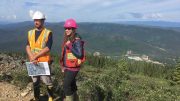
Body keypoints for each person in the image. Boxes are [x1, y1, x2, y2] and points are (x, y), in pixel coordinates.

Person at [26, 11, 53, 101]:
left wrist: (35, 56)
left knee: (47, 82)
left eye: (38, 20)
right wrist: (31, 57)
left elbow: (48, 48)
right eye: (35, 20)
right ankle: (36, 98)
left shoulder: (48, 33)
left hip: (43, 62)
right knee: (35, 82)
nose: (36, 22)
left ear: (43, 21)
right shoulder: (30, 33)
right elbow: (27, 46)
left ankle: (50, 97)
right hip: (33, 62)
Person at [60, 19, 85, 101]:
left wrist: (70, 45)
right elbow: (66, 55)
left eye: (69, 28)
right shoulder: (69, 38)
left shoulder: (76, 40)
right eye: (65, 28)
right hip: (68, 66)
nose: (66, 30)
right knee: (72, 85)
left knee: (66, 86)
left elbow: (80, 55)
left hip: (73, 68)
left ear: (73, 29)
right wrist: (63, 66)